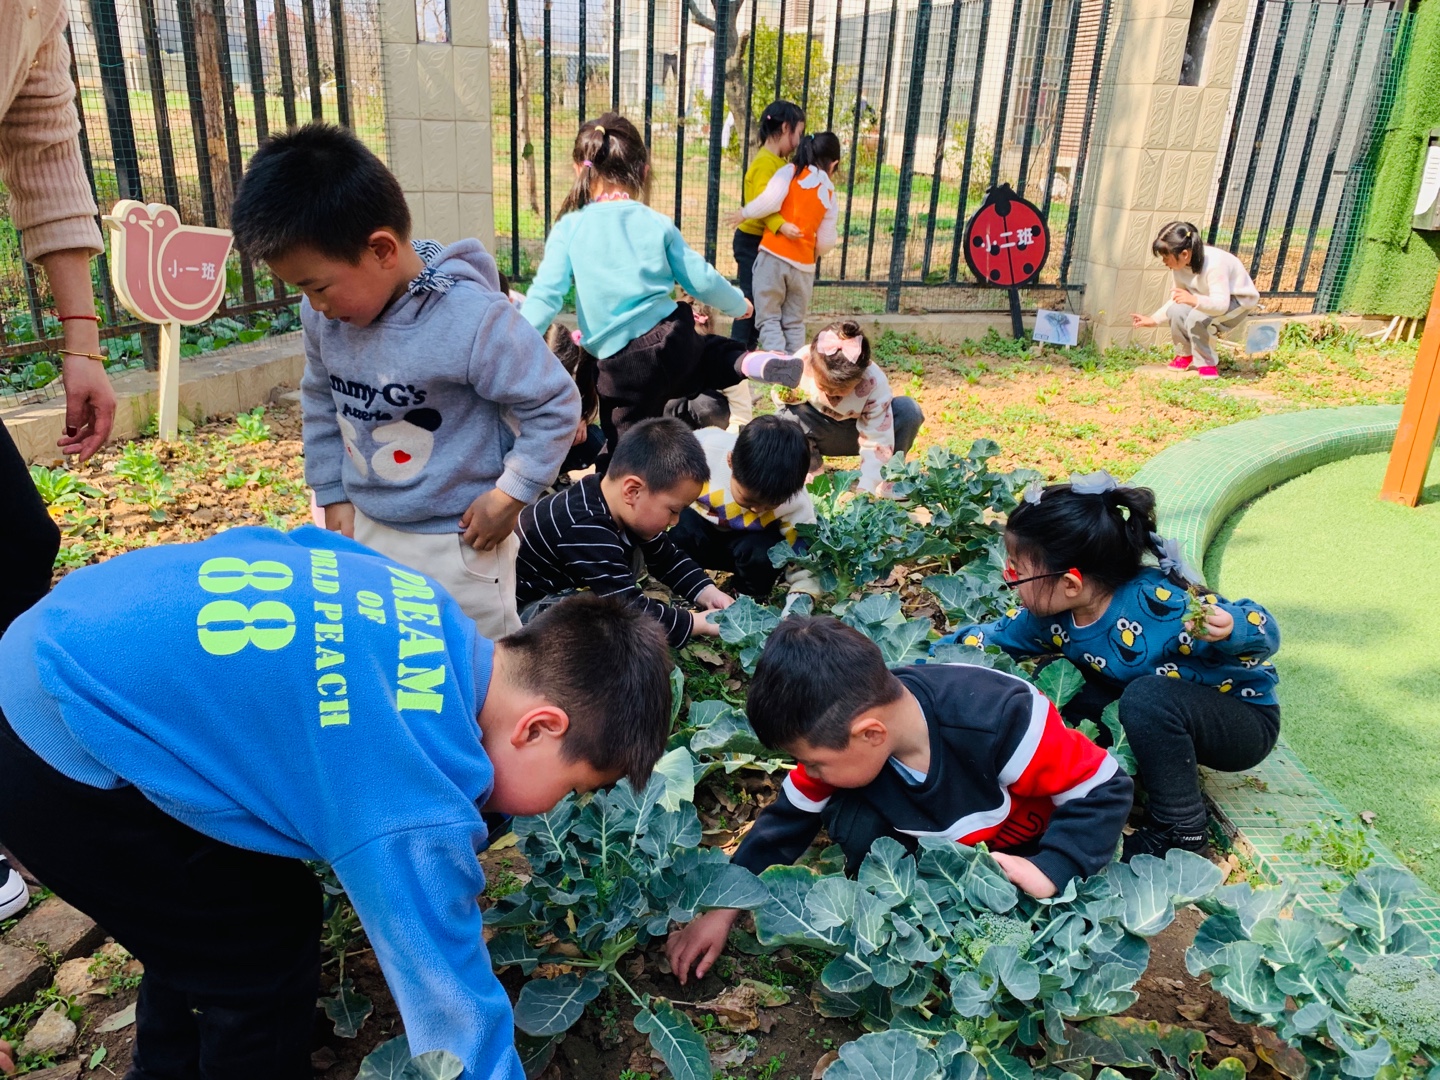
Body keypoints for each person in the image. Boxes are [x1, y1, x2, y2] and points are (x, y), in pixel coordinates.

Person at [0, 525, 673, 1079]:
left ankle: (166, 1067)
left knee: (222, 914)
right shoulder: (409, 793)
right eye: (575, 788)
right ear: (539, 728)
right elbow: (449, 997)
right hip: (54, 741)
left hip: (60, 632)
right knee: (255, 957)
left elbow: (285, 543)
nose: (557, 807)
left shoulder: (420, 601)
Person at [230, 123, 580, 640]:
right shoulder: (322, 318)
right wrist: (332, 492)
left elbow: (554, 404)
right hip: (368, 524)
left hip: (458, 539)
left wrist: (509, 497)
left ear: (381, 249)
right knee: (389, 650)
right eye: (303, 291)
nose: (316, 305)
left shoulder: (471, 320)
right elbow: (321, 399)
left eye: (319, 286)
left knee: (476, 664)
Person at [665, 616, 1131, 984]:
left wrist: (1054, 867)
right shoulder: (851, 727)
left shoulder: (1001, 721)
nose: (809, 771)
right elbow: (787, 819)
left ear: (870, 734)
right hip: (938, 847)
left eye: (814, 762)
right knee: (851, 819)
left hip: (1020, 849)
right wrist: (724, 906)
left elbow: (1106, 787)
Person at [934, 474, 1281, 860]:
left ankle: (1181, 831)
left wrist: (1232, 628)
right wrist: (920, 666)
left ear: (1070, 583)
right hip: (1157, 710)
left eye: (1017, 571)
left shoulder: (1161, 605)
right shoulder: (1048, 617)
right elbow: (989, 638)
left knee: (1146, 698)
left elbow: (1264, 634)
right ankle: (1090, 782)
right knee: (1057, 686)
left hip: (1239, 720)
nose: (1008, 578)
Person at [519, 113, 801, 469]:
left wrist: (513, 338)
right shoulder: (656, 222)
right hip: (672, 338)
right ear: (644, 171)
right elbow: (702, 279)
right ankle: (754, 361)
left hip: (621, 367)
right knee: (709, 354)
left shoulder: (570, 228)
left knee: (623, 451)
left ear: (581, 169)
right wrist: (738, 305)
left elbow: (546, 296)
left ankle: (617, 495)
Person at [515, 417, 735, 648]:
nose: (675, 521)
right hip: (524, 610)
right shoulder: (584, 526)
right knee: (599, 621)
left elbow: (667, 559)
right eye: (673, 510)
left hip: (564, 584)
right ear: (632, 491)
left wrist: (708, 592)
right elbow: (630, 611)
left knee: (634, 558)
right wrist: (697, 623)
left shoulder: (615, 501)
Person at [670, 415, 821, 599]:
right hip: (702, 537)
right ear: (730, 462)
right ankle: (687, 580)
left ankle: (746, 596)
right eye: (749, 500)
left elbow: (806, 564)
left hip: (750, 548)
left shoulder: (796, 502)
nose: (757, 510)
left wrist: (801, 598)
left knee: (765, 552)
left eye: (771, 505)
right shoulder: (703, 451)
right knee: (681, 528)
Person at [776, 321, 923, 494]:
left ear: (860, 377)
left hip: (860, 434)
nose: (831, 393)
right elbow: (782, 397)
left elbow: (878, 436)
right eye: (824, 386)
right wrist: (787, 396)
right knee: (784, 417)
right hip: (818, 432)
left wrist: (868, 485)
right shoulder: (802, 361)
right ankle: (812, 473)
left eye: (840, 390)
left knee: (908, 410)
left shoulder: (874, 383)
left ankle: (888, 477)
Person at [738, 133, 842, 353]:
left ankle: (778, 362)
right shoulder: (830, 193)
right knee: (794, 323)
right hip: (803, 267)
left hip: (773, 258)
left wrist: (745, 213)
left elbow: (769, 202)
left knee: (768, 318)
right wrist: (812, 251)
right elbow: (826, 240)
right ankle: (795, 364)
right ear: (833, 164)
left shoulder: (790, 172)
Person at [1130, 220, 1258, 379]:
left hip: (1237, 302)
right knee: (1176, 310)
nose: (1164, 262)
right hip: (1206, 298)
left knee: (1197, 318)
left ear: (1184, 254)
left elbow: (1221, 305)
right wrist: (1153, 320)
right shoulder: (1179, 266)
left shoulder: (1215, 264)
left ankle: (1206, 363)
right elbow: (1177, 299)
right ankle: (1185, 354)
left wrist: (1194, 300)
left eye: (1166, 257)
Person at [731, 101, 807, 349]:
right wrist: (781, 225)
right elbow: (764, 203)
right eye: (799, 133)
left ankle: (747, 351)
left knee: (760, 300)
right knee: (750, 301)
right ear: (785, 128)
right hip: (750, 241)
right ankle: (736, 352)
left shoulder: (778, 163)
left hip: (762, 241)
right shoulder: (766, 163)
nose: (798, 142)